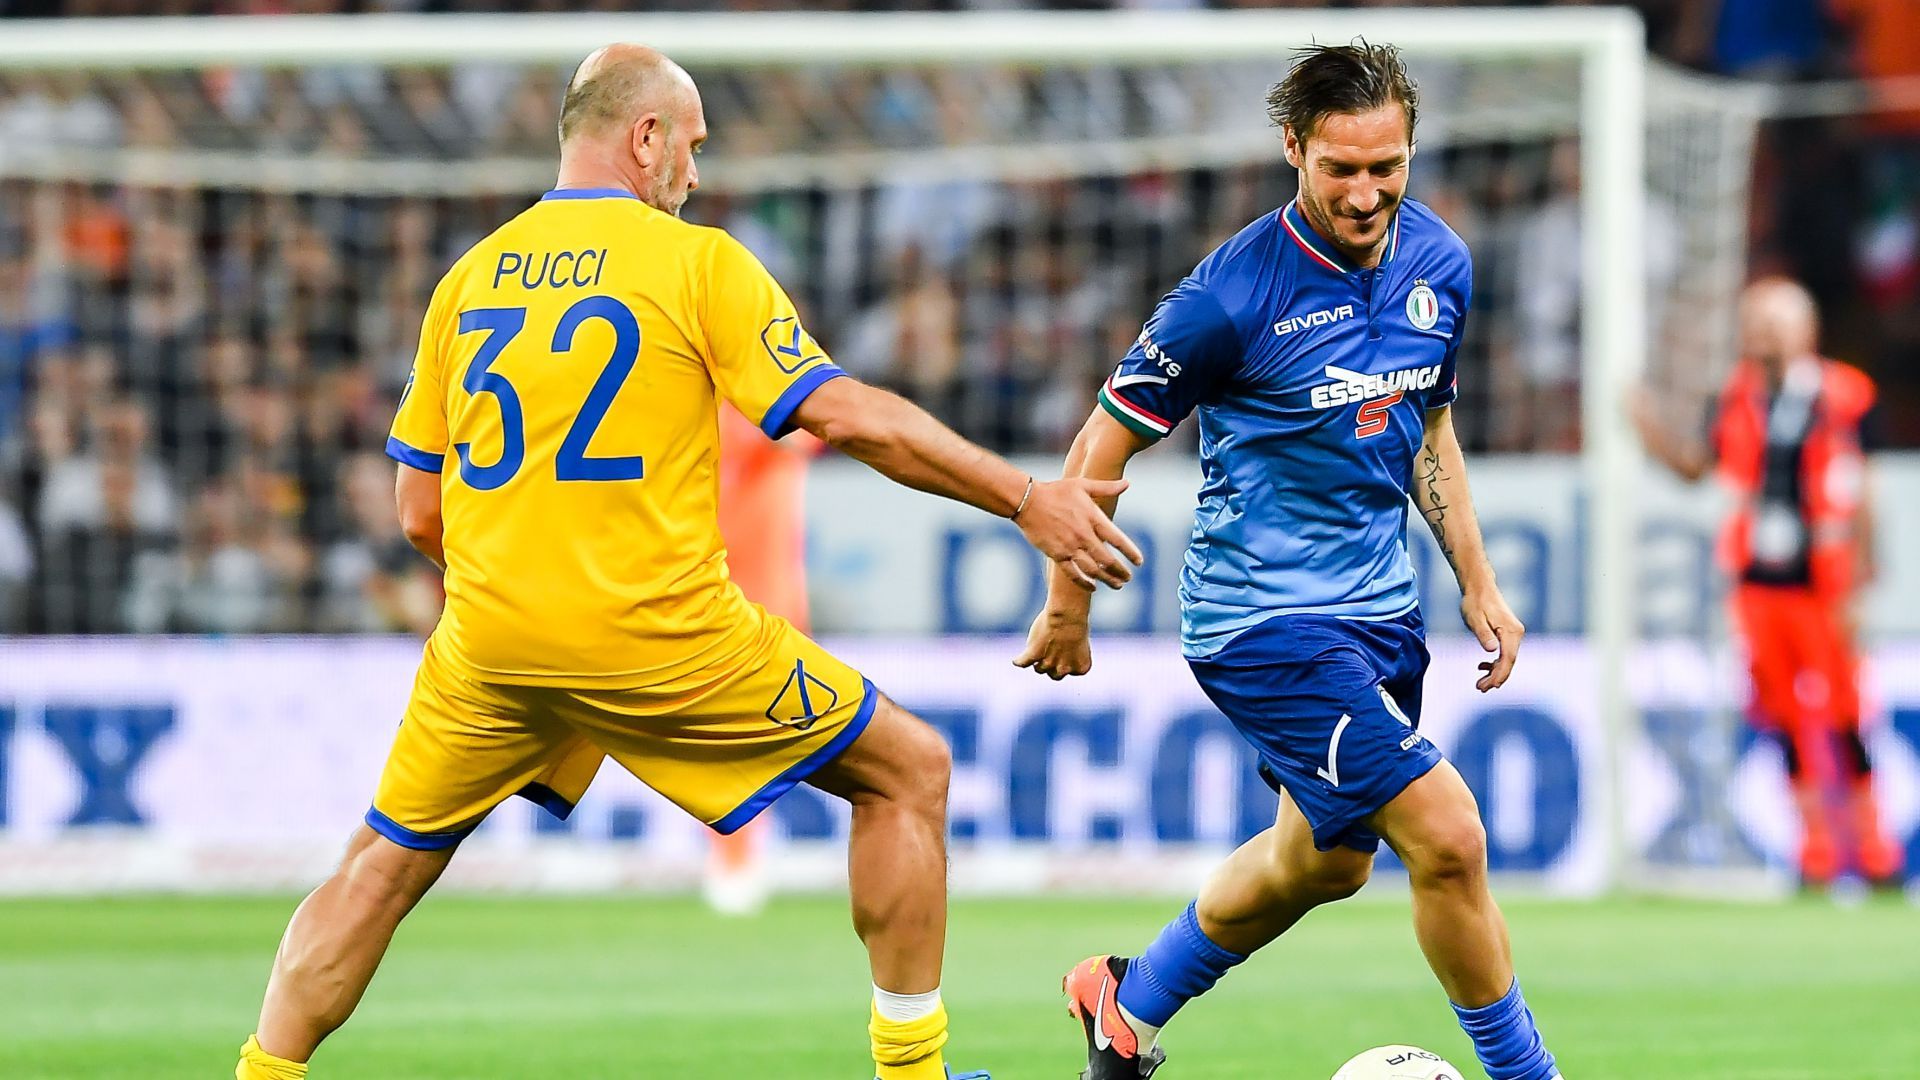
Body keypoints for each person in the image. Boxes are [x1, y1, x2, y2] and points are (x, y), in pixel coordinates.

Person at [234, 43, 1143, 1080]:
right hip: (658, 631)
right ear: (645, 137)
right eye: (693, 146)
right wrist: (1025, 497)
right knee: (909, 771)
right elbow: (846, 416)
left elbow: (416, 512)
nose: (697, 175)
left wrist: (522, 594)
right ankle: (913, 1075)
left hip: (487, 646)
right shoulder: (696, 263)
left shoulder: (466, 278)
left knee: (377, 870)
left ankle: (261, 1071)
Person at [1015, 43, 1563, 1080]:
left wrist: (1478, 583)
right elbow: (1097, 448)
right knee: (1447, 834)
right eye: (1340, 169)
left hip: (1379, 616)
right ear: (1292, 149)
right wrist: (1067, 607)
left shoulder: (1441, 262)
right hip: (1262, 624)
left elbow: (1429, 430)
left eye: (1386, 167)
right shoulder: (1228, 297)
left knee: (1325, 864)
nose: (1366, 194)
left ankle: (1123, 1001)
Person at [1633, 276, 1901, 888]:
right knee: (1781, 716)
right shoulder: (1733, 397)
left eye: (1773, 324)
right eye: (1754, 324)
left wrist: (1861, 581)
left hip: (1824, 584)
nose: (1760, 337)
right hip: (1758, 584)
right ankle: (1814, 851)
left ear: (1806, 330)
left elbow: (1866, 495)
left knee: (1845, 715)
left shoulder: (1848, 395)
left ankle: (1874, 848)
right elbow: (1699, 469)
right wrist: (1649, 432)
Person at [703, 400, 824, 916]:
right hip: (718, 596)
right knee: (723, 736)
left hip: (768, 601)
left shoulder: (765, 405)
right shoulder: (708, 410)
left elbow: (812, 428)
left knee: (760, 734)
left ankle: (745, 848)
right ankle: (735, 851)